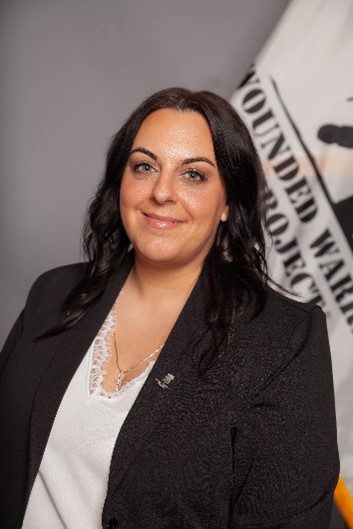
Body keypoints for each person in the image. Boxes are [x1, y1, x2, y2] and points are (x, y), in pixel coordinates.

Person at [0, 87, 339, 529]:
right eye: (144, 167)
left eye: (193, 175)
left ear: (228, 203)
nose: (161, 192)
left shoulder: (283, 341)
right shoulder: (53, 293)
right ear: (120, 181)